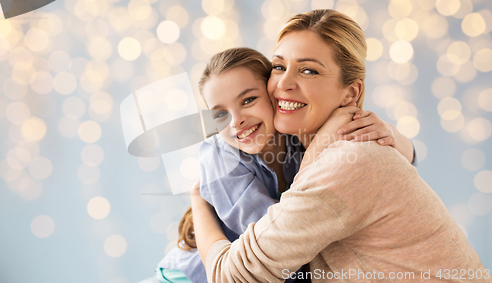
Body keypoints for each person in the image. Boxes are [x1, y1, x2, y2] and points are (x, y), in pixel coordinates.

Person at [190, 9, 490, 282]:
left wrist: (198, 203)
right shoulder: (313, 148)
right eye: (279, 67)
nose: (284, 84)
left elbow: (232, 276)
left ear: (350, 93)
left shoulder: (349, 161)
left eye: (309, 70)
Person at [156, 46, 418, 282]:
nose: (236, 121)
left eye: (248, 100)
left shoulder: (298, 136)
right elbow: (277, 245)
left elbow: (388, 174)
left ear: (274, 95)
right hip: (190, 277)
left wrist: (395, 137)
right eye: (221, 114)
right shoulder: (219, 157)